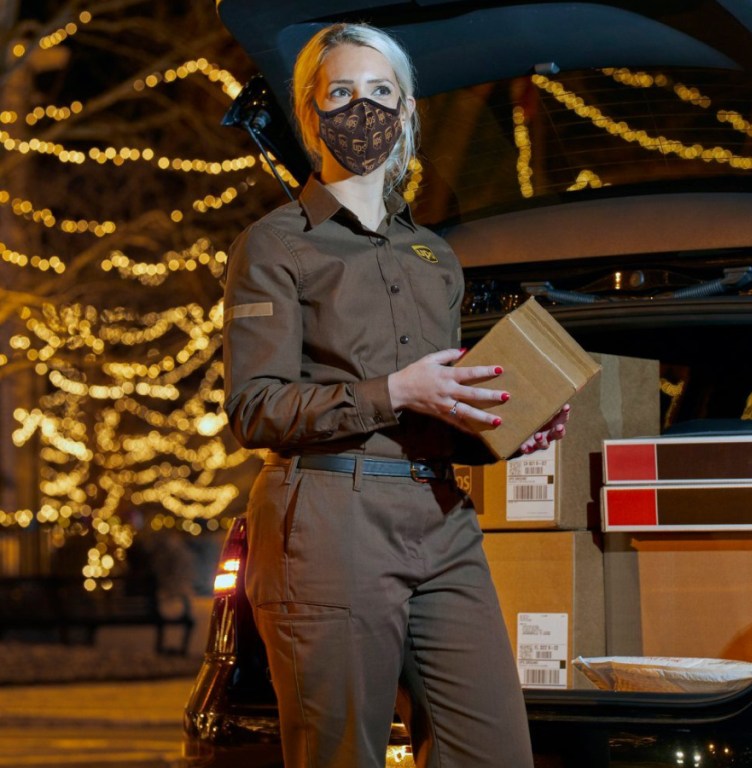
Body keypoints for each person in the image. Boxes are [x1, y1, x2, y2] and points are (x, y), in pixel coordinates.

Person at [221, 21, 570, 768]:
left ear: (407, 111)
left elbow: (434, 403)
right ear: (311, 113)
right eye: (341, 92)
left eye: (380, 92)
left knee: (495, 751)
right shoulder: (277, 243)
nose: (363, 109)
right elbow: (255, 406)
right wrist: (394, 390)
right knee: (341, 754)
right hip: (327, 521)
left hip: (441, 518)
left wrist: (501, 428)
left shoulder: (433, 256)